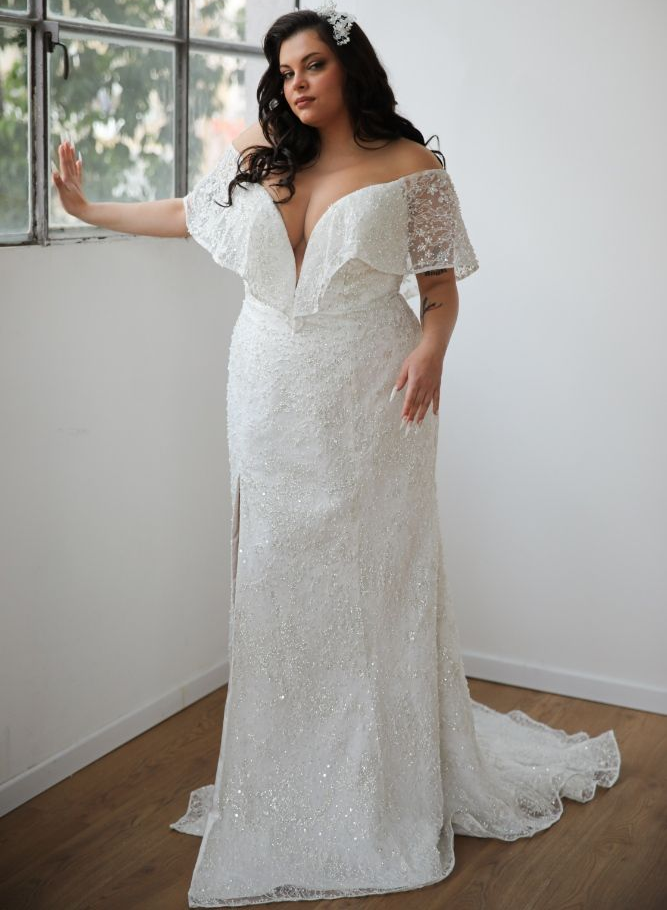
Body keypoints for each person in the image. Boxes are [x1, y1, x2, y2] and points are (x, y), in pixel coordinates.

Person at [52, 4, 622, 908]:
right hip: (267, 392)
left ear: (349, 67)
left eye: (313, 64)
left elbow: (436, 293)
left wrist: (432, 349)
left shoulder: (412, 166)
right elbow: (183, 213)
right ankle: (288, 774)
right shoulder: (260, 155)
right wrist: (87, 208)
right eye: (285, 72)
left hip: (372, 394)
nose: (298, 83)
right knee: (278, 581)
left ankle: (385, 783)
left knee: (377, 581)